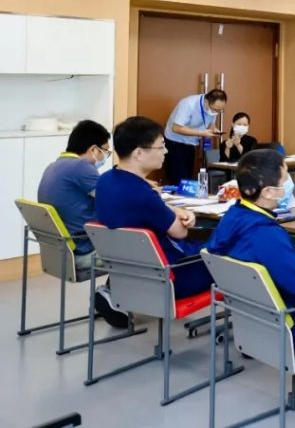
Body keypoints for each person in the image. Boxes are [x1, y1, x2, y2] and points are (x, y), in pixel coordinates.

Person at [207, 149, 295, 356]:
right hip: (293, 326)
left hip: (252, 321)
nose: (289, 183)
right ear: (268, 192)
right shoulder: (266, 233)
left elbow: (258, 258)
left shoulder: (232, 217)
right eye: (286, 178)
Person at [96, 116, 212, 298]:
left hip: (129, 272)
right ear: (139, 153)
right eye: (161, 146)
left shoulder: (105, 181)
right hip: (172, 275)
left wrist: (172, 210)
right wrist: (185, 215)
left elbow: (144, 210)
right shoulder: (143, 194)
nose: (166, 151)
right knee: (229, 248)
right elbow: (180, 232)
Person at [37, 119, 129, 328]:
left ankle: (107, 296)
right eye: (105, 151)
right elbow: (114, 200)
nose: (105, 157)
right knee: (140, 248)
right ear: (93, 149)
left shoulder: (54, 166)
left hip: (60, 251)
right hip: (82, 251)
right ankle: (109, 295)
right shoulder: (81, 167)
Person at [164, 88, 227, 186]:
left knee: (188, 179)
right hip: (175, 143)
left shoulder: (213, 109)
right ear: (206, 102)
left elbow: (211, 125)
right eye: (215, 109)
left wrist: (215, 131)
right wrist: (201, 133)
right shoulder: (188, 104)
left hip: (191, 144)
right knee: (179, 180)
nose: (217, 112)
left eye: (220, 110)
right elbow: (176, 128)